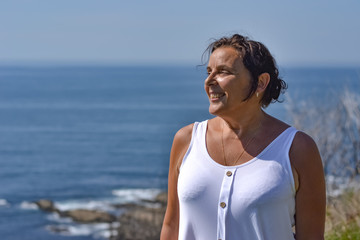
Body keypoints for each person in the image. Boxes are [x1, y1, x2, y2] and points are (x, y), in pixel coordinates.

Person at [160, 34, 326, 240]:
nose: (209, 81)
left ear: (260, 83)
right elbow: (172, 225)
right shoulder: (186, 140)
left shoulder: (298, 149)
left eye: (223, 72)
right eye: (209, 72)